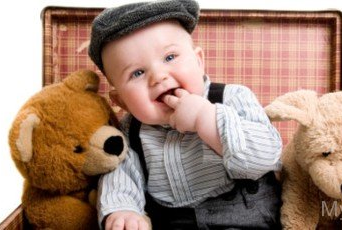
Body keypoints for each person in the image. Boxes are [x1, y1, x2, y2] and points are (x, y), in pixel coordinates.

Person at [88, 0, 283, 229]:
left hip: (245, 220)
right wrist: (124, 211)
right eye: (137, 73)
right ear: (121, 102)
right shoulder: (130, 132)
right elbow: (121, 178)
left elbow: (265, 156)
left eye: (170, 57)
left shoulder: (232, 97)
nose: (158, 76)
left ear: (199, 62)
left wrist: (205, 118)